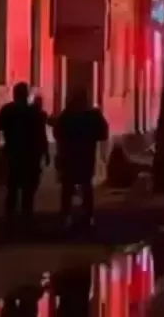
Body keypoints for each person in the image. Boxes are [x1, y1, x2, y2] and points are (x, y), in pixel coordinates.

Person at [0, 83, 49, 232]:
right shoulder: (34, 112)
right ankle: (26, 219)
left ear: (14, 94)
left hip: (13, 154)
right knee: (28, 190)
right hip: (30, 155)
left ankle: (10, 220)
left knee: (12, 189)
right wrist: (46, 153)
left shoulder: (7, 110)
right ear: (26, 95)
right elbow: (41, 135)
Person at [53, 88, 109, 229]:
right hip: (85, 155)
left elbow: (57, 132)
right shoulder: (92, 115)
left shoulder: (67, 115)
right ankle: (88, 215)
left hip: (69, 155)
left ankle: (66, 215)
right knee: (86, 185)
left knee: (68, 186)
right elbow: (103, 133)